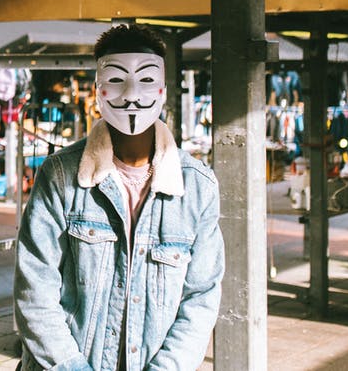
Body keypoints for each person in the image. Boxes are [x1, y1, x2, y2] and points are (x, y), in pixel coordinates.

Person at [15, 24, 223, 371]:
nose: (130, 95)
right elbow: (34, 288)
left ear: (162, 88)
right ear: (98, 89)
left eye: (144, 80)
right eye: (115, 80)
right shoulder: (60, 175)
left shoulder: (198, 187)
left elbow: (201, 297)